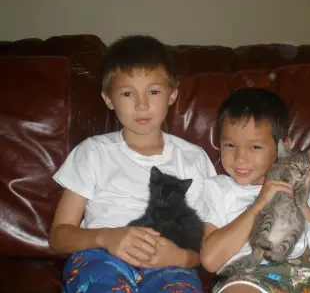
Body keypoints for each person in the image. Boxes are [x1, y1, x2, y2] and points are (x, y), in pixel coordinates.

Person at [49, 35, 216, 293]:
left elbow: (209, 241)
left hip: (170, 265)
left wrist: (183, 258)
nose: (141, 104)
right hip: (100, 256)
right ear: (108, 99)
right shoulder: (92, 152)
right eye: (127, 93)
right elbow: (59, 236)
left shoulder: (193, 158)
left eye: (154, 91)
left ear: (172, 94)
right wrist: (106, 237)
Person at [199, 88, 310, 293]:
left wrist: (303, 205)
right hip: (251, 275)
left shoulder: (307, 186)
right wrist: (261, 201)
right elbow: (211, 260)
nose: (240, 158)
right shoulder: (217, 188)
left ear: (282, 147)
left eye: (255, 147)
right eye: (230, 145)